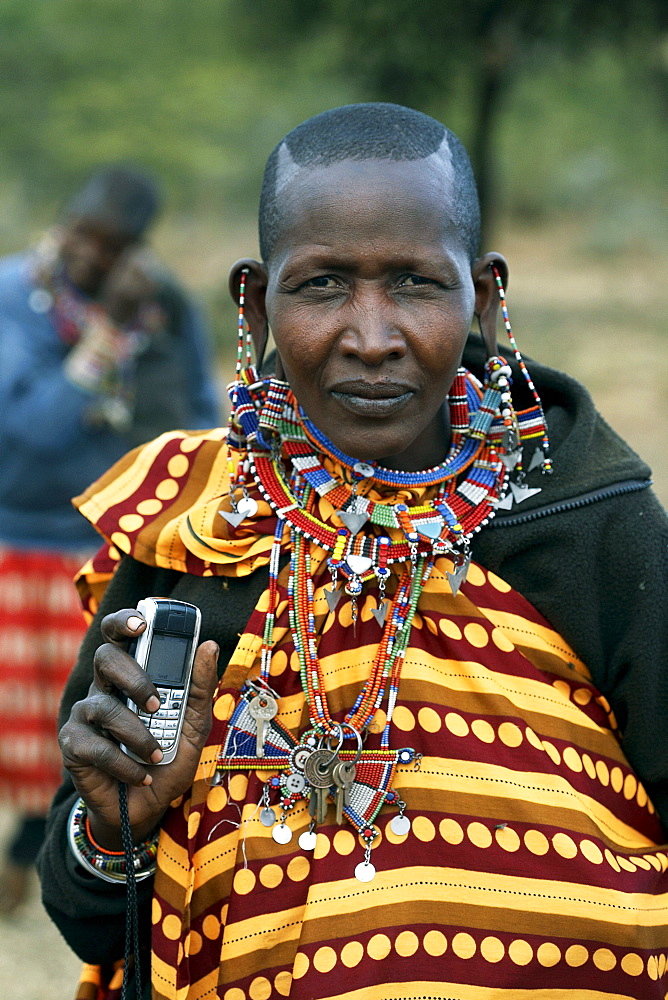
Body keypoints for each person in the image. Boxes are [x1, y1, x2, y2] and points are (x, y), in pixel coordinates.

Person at [38, 104, 667, 1000]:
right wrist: (110, 835)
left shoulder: (593, 525)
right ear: (255, 299)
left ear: (484, 295)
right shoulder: (196, 535)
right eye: (324, 285)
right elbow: (90, 919)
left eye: (414, 283)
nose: (372, 338)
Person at [0, 165, 220, 913]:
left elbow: (197, 414)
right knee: (24, 732)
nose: (92, 256)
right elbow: (28, 434)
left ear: (136, 247)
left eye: (112, 243)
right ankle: (27, 853)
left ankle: (40, 852)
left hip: (113, 553)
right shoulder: (13, 300)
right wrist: (104, 338)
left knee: (90, 714)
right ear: (64, 222)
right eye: (82, 235)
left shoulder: (163, 309)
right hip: (23, 539)